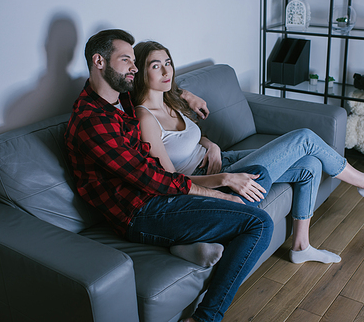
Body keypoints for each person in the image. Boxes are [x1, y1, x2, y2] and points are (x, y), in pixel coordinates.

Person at [130, 40, 364, 266]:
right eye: (156, 66)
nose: (166, 71)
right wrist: (223, 178)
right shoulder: (145, 118)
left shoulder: (171, 99)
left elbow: (188, 137)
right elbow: (169, 179)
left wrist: (210, 144)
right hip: (206, 181)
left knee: (309, 164)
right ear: (141, 72)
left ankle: (301, 246)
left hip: (219, 159)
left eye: (168, 63)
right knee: (305, 138)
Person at [64, 29, 275, 322]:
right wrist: (220, 186)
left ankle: (190, 241)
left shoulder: (118, 99)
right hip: (142, 211)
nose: (134, 67)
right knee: (259, 223)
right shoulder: (92, 122)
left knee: (257, 175)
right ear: (99, 61)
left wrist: (185, 95)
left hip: (163, 198)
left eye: (134, 61)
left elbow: (157, 93)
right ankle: (206, 317)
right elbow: (154, 178)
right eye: (126, 60)